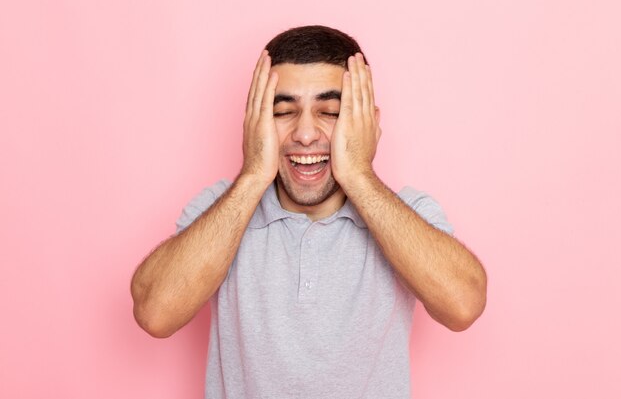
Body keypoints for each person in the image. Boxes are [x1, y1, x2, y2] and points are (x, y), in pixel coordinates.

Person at [131, 25, 487, 398]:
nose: (304, 133)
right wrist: (253, 174)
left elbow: (463, 305)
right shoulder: (222, 209)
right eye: (284, 111)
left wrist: (360, 175)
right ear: (256, 122)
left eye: (330, 112)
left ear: (367, 120)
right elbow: (155, 313)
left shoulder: (408, 213)